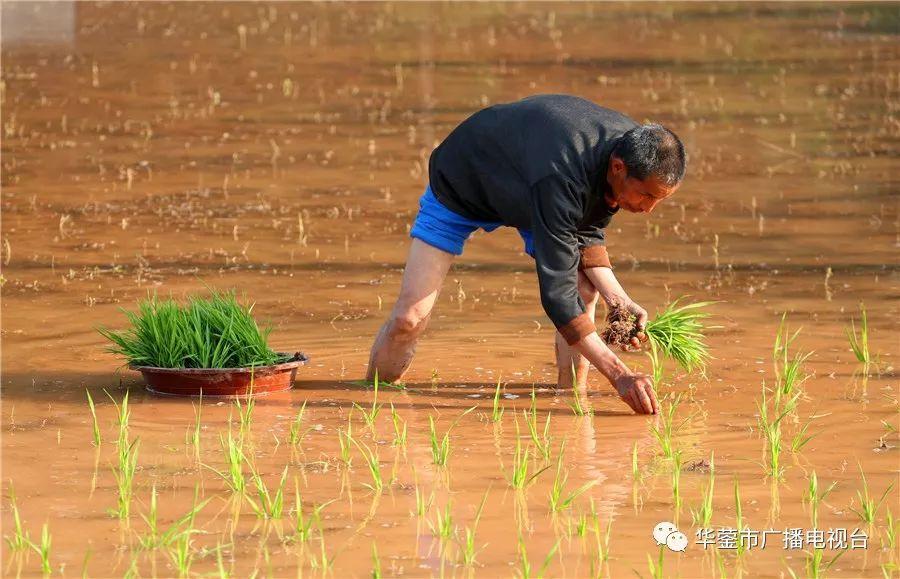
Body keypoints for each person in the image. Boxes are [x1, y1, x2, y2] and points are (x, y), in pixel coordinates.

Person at [366, 94, 686, 415]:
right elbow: (557, 297)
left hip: (535, 189)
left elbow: (585, 229)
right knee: (410, 318)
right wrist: (620, 375)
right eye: (646, 195)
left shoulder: (632, 152)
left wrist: (619, 300)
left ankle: (572, 401)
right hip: (465, 183)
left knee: (585, 291)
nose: (648, 209)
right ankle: (371, 401)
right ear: (618, 168)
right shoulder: (565, 173)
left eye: (660, 199)